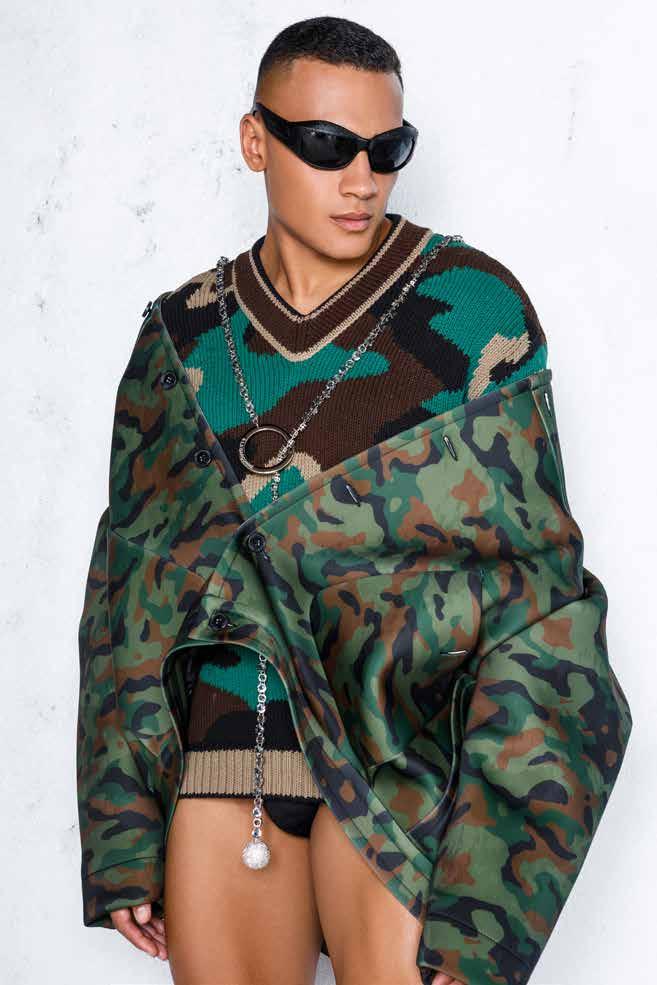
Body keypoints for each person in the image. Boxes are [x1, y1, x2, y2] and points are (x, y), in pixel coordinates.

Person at [101, 16, 553, 985]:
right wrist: (122, 828)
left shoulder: (478, 309)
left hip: (404, 770)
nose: (362, 179)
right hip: (232, 763)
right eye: (326, 144)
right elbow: (132, 587)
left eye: (388, 150)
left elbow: (536, 598)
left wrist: (490, 895)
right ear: (255, 140)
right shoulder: (180, 336)